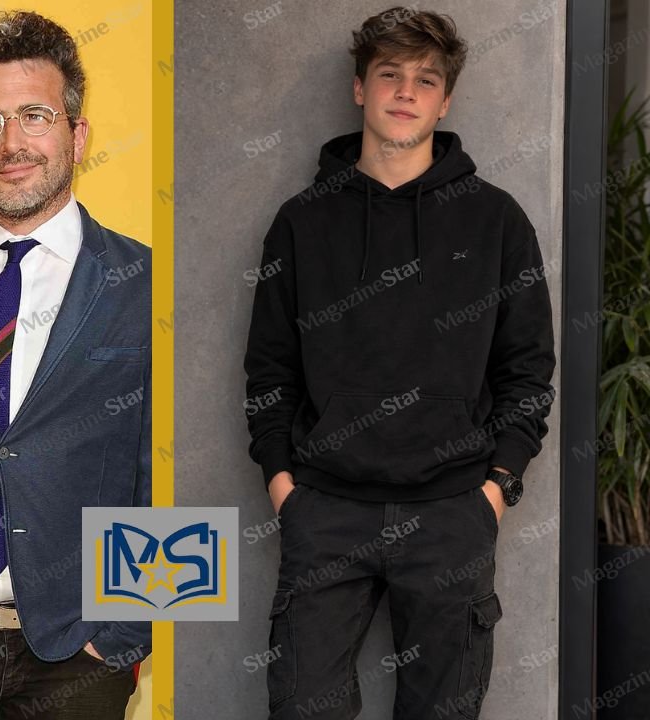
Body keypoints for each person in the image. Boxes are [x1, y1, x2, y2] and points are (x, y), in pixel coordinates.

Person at [243, 8, 555, 719]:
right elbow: (269, 370)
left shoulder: (496, 221)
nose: (406, 92)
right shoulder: (302, 221)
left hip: (452, 510)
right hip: (325, 510)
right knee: (303, 708)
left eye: (425, 79)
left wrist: (497, 487)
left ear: (445, 100)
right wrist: (283, 484)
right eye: (390, 74)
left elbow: (527, 369)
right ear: (360, 88)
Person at [0, 11, 151, 719]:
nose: (11, 143)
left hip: (81, 654)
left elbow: (168, 458)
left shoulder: (147, 281)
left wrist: (130, 633)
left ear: (77, 134)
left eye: (35, 116)